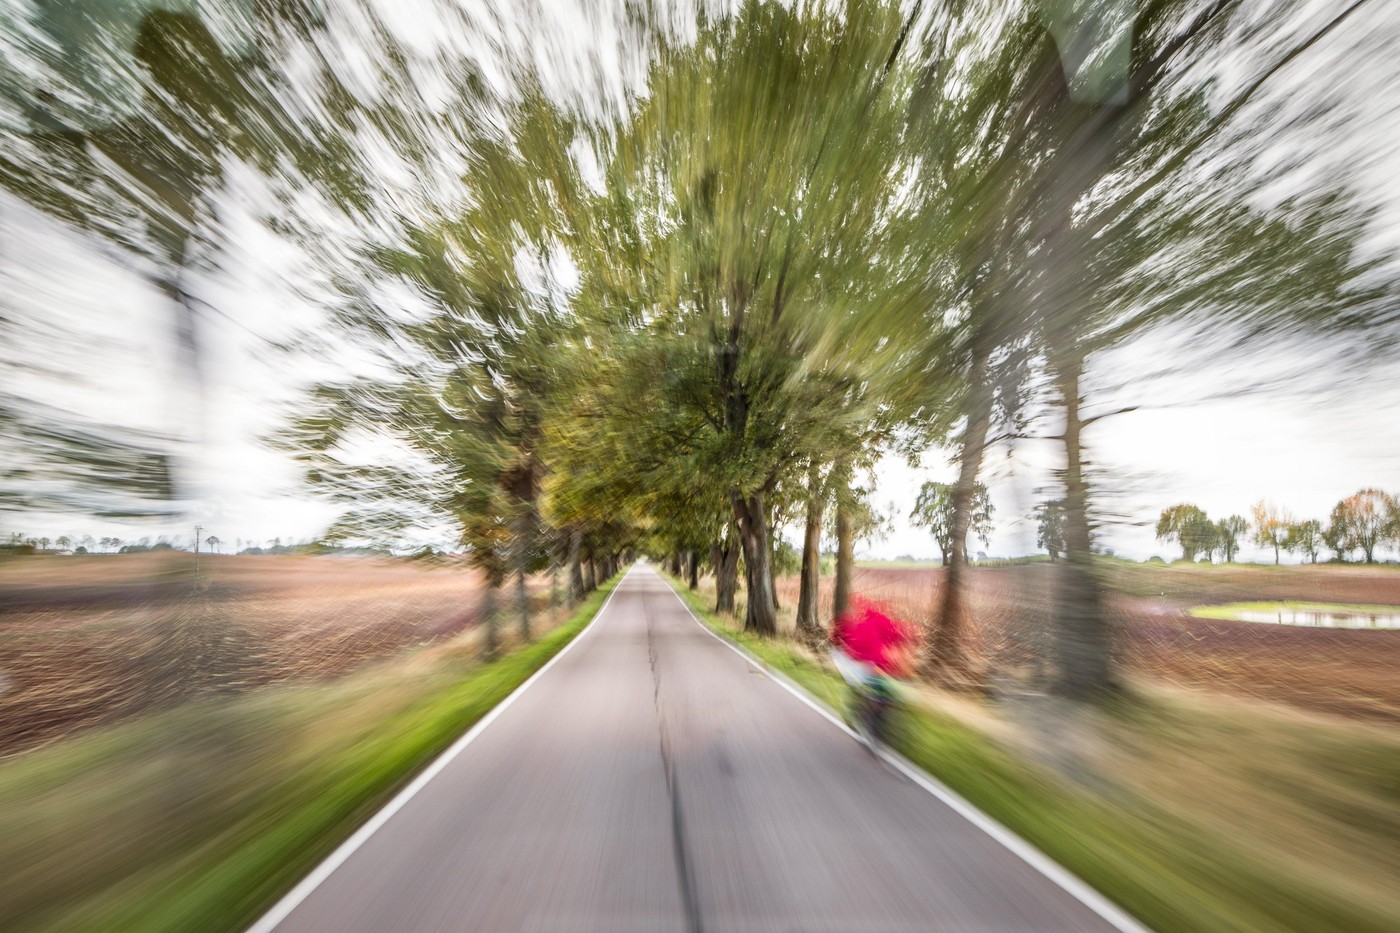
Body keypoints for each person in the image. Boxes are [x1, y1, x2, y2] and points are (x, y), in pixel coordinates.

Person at [829, 596, 917, 744]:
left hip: (875, 665)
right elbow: (898, 634)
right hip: (870, 666)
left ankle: (874, 721)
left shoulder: (867, 624)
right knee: (877, 693)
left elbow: (896, 634)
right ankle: (869, 723)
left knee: (882, 692)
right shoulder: (872, 624)